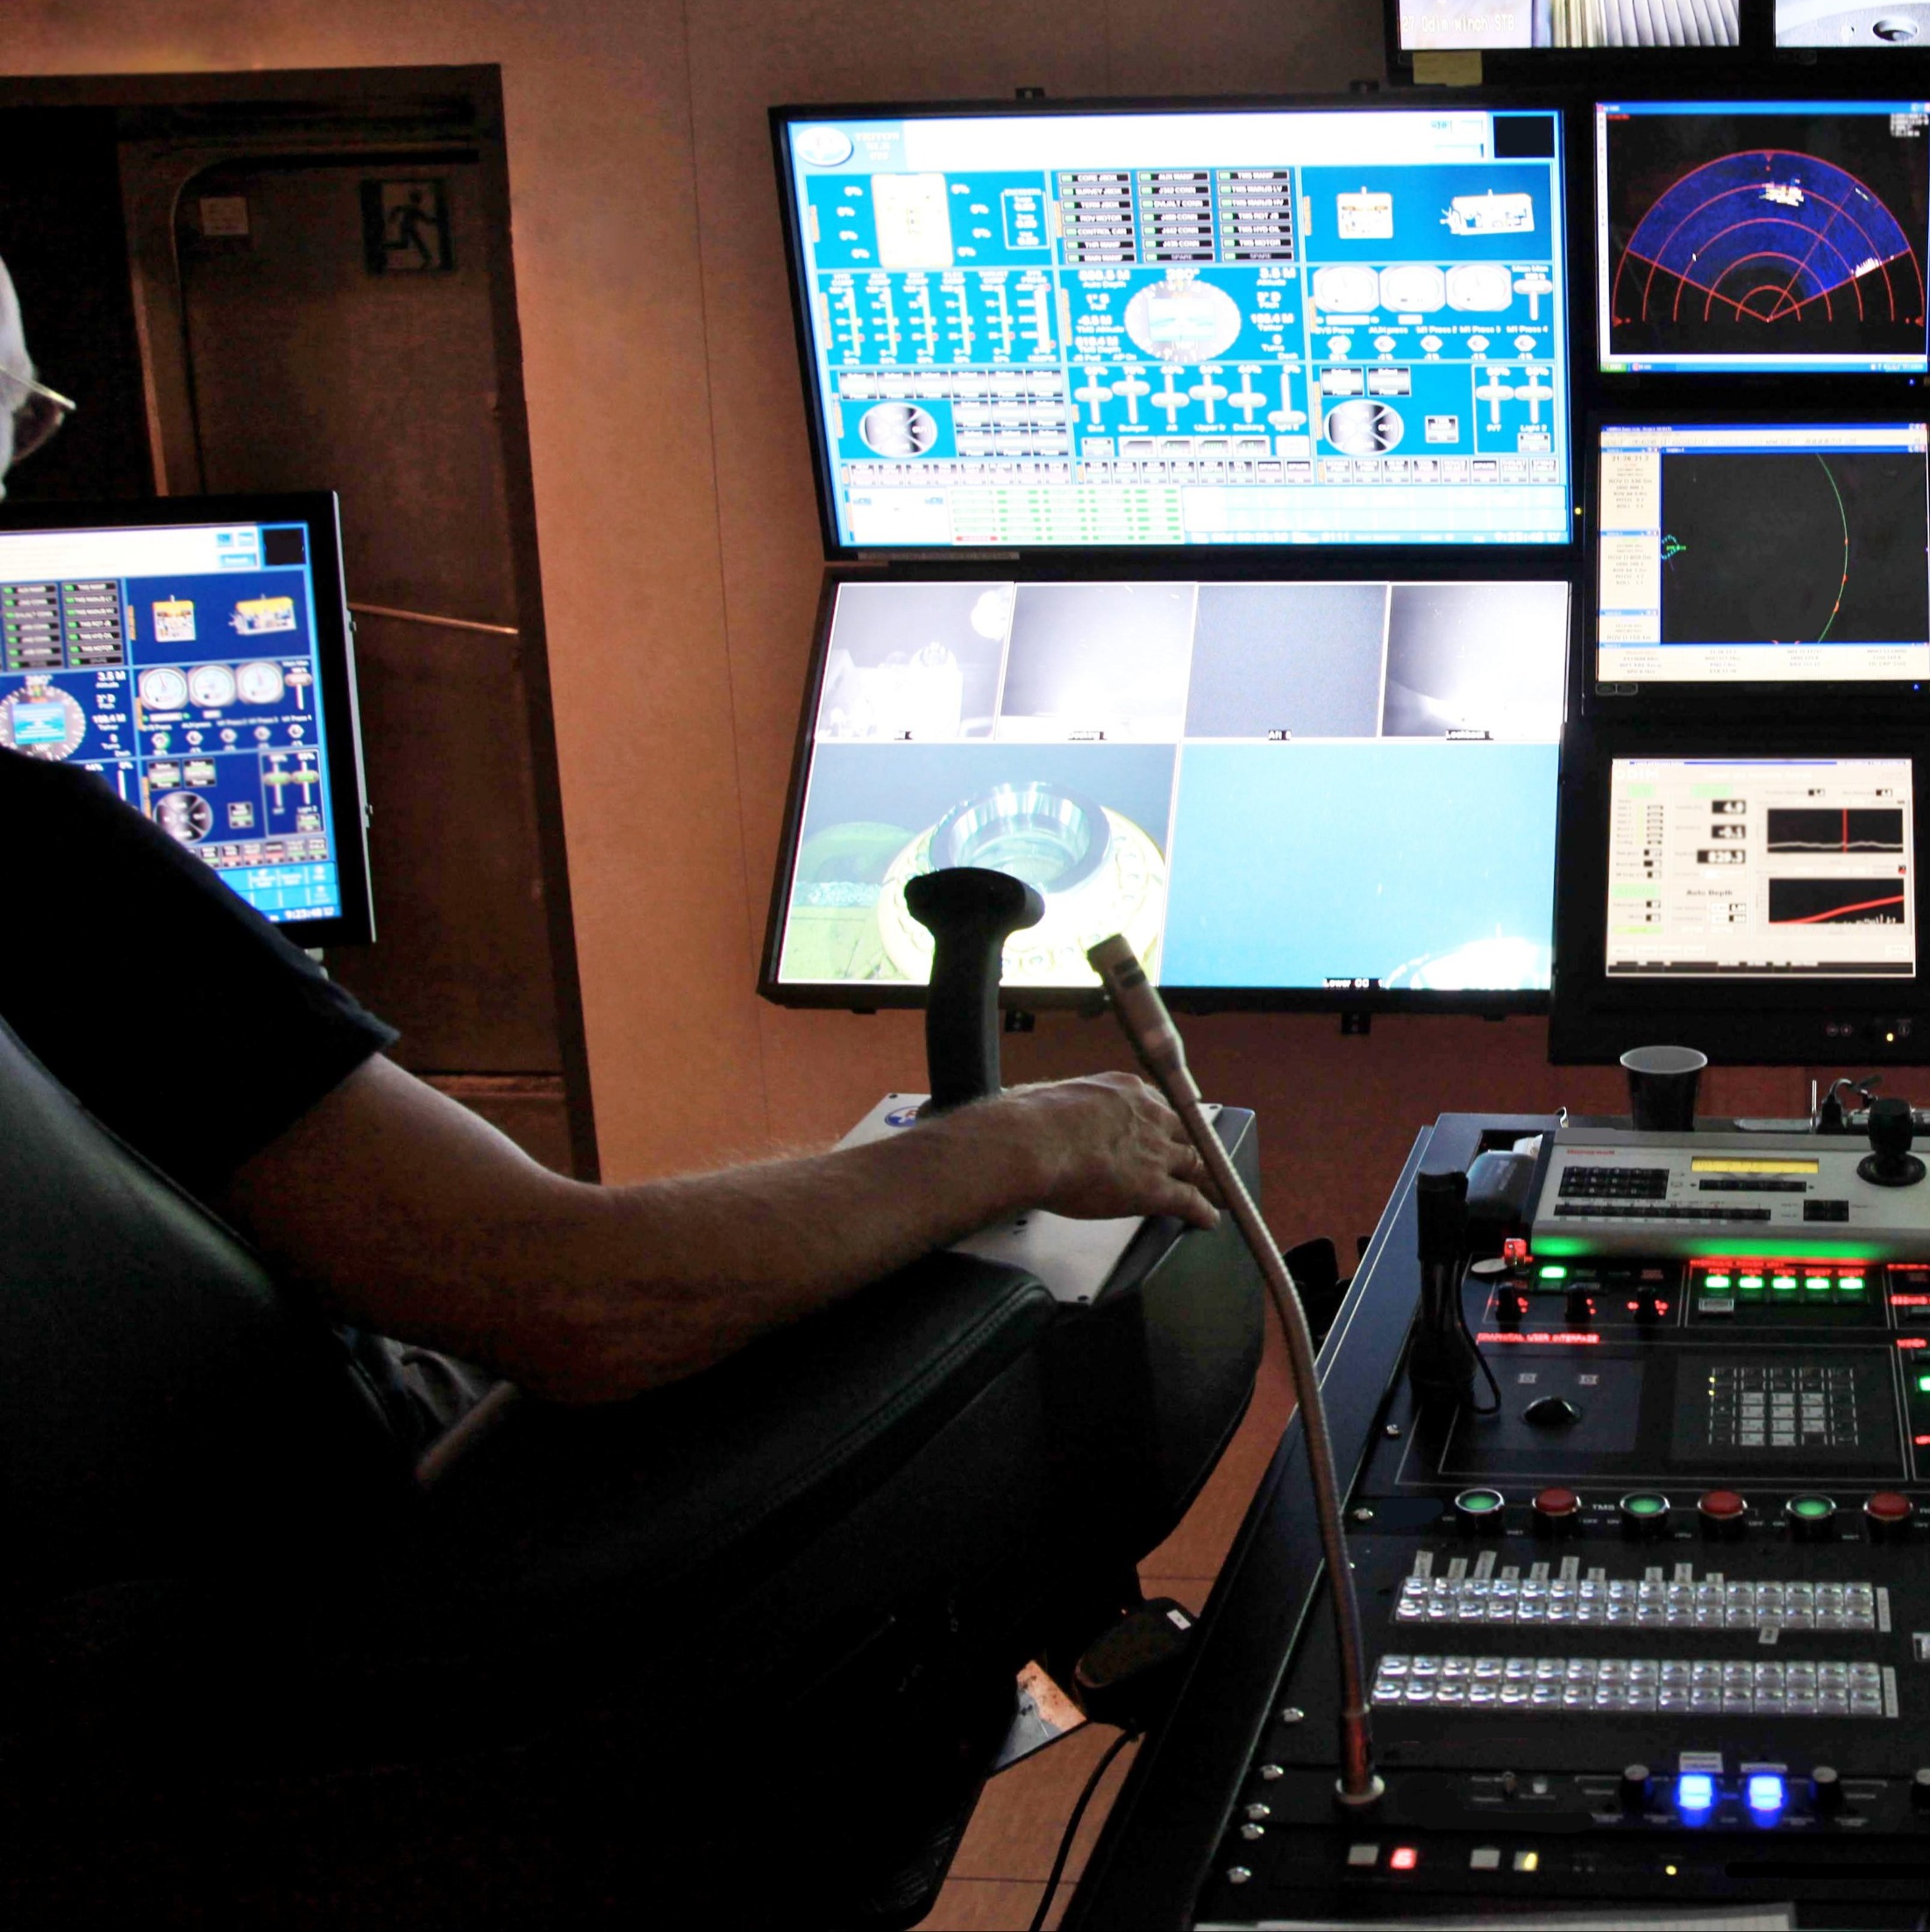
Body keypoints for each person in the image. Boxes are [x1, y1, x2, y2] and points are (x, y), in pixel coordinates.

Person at [1, 251, 1220, 1442]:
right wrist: (1028, 1139)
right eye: (23, 422)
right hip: (357, 1578)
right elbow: (586, 1302)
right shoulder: (36, 854)